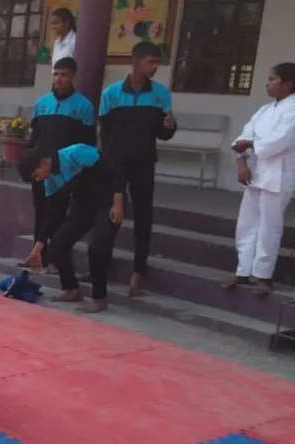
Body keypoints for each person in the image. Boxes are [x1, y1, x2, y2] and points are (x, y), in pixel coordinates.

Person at [99, 41, 176, 297]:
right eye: (150, 62)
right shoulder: (111, 94)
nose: (155, 67)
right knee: (111, 216)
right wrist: (109, 165)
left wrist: (169, 127)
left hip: (144, 163)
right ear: (135, 61)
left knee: (143, 217)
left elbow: (163, 133)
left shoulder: (161, 94)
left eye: (157, 62)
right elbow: (106, 134)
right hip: (116, 163)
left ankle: (138, 272)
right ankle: (102, 266)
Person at [18, 144, 125, 313]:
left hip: (109, 203)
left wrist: (118, 204)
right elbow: (50, 215)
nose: (38, 180)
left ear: (44, 163)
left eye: (36, 175)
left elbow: (115, 169)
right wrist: (38, 248)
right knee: (57, 244)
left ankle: (99, 298)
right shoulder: (50, 180)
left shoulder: (76, 153)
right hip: (84, 206)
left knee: (97, 246)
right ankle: (72, 289)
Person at [225, 62, 295, 296]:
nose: (267, 84)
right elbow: (242, 137)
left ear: (288, 84)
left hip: (279, 175)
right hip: (255, 173)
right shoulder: (264, 111)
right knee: (247, 223)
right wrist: (242, 161)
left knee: (269, 227)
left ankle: (264, 275)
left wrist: (251, 144)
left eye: (273, 79)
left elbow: (280, 141)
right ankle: (243, 269)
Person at [21, 56, 96, 270]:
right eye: (55, 74)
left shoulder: (84, 106)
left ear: (73, 76)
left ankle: (56, 260)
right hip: (40, 168)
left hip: (64, 171)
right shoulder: (41, 103)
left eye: (64, 74)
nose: (58, 79)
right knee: (40, 212)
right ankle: (37, 256)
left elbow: (88, 142)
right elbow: (34, 138)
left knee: (58, 215)